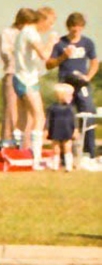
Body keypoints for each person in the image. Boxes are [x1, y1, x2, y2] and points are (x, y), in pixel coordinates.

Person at [49, 12, 96, 163]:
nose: (76, 30)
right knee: (63, 117)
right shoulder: (60, 43)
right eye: (73, 27)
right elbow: (49, 64)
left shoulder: (87, 43)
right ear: (68, 27)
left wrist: (88, 76)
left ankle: (89, 152)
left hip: (81, 83)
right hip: (65, 83)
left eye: (79, 27)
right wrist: (63, 56)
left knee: (87, 114)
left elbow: (94, 61)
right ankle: (63, 155)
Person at [15, 7, 57, 167]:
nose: (50, 27)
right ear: (42, 20)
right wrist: (51, 41)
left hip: (19, 78)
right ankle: (36, 159)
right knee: (40, 117)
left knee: (24, 120)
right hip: (28, 80)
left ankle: (18, 154)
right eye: (50, 23)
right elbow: (44, 55)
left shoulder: (22, 32)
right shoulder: (31, 33)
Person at [0, 7, 35, 145]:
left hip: (28, 75)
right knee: (11, 110)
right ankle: (8, 141)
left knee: (29, 110)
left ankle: (26, 143)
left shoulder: (31, 33)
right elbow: (6, 53)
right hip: (13, 72)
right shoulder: (7, 33)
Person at [46, 83, 78, 171]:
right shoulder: (52, 108)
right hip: (55, 129)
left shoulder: (71, 108)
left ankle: (68, 165)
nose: (71, 97)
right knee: (56, 148)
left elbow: (74, 120)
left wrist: (75, 129)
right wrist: (46, 129)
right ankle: (55, 165)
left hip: (67, 130)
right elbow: (48, 119)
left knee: (67, 147)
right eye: (69, 95)